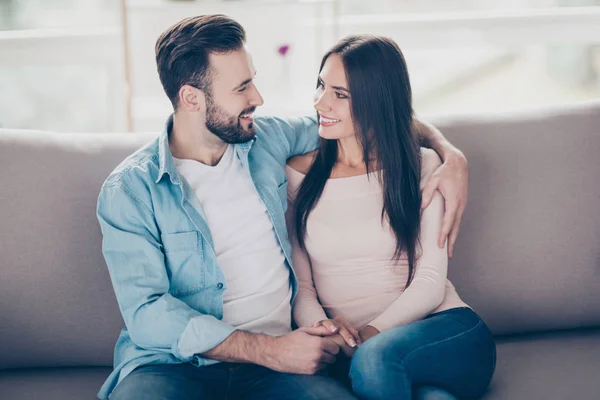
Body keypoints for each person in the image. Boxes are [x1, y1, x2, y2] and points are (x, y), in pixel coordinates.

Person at [96, 15, 470, 400]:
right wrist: (270, 350)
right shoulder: (131, 191)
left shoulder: (266, 138)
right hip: (172, 365)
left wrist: (450, 154)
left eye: (253, 80)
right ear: (191, 98)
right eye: (242, 88)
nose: (257, 98)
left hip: (279, 368)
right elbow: (147, 314)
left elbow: (373, 112)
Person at [286, 35, 496, 400]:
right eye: (321, 85)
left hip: (443, 331)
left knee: (375, 361)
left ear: (375, 101)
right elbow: (302, 288)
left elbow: (431, 281)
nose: (320, 102)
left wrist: (365, 337)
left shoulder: (422, 167)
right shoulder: (296, 176)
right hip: (360, 351)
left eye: (340, 94)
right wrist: (324, 330)